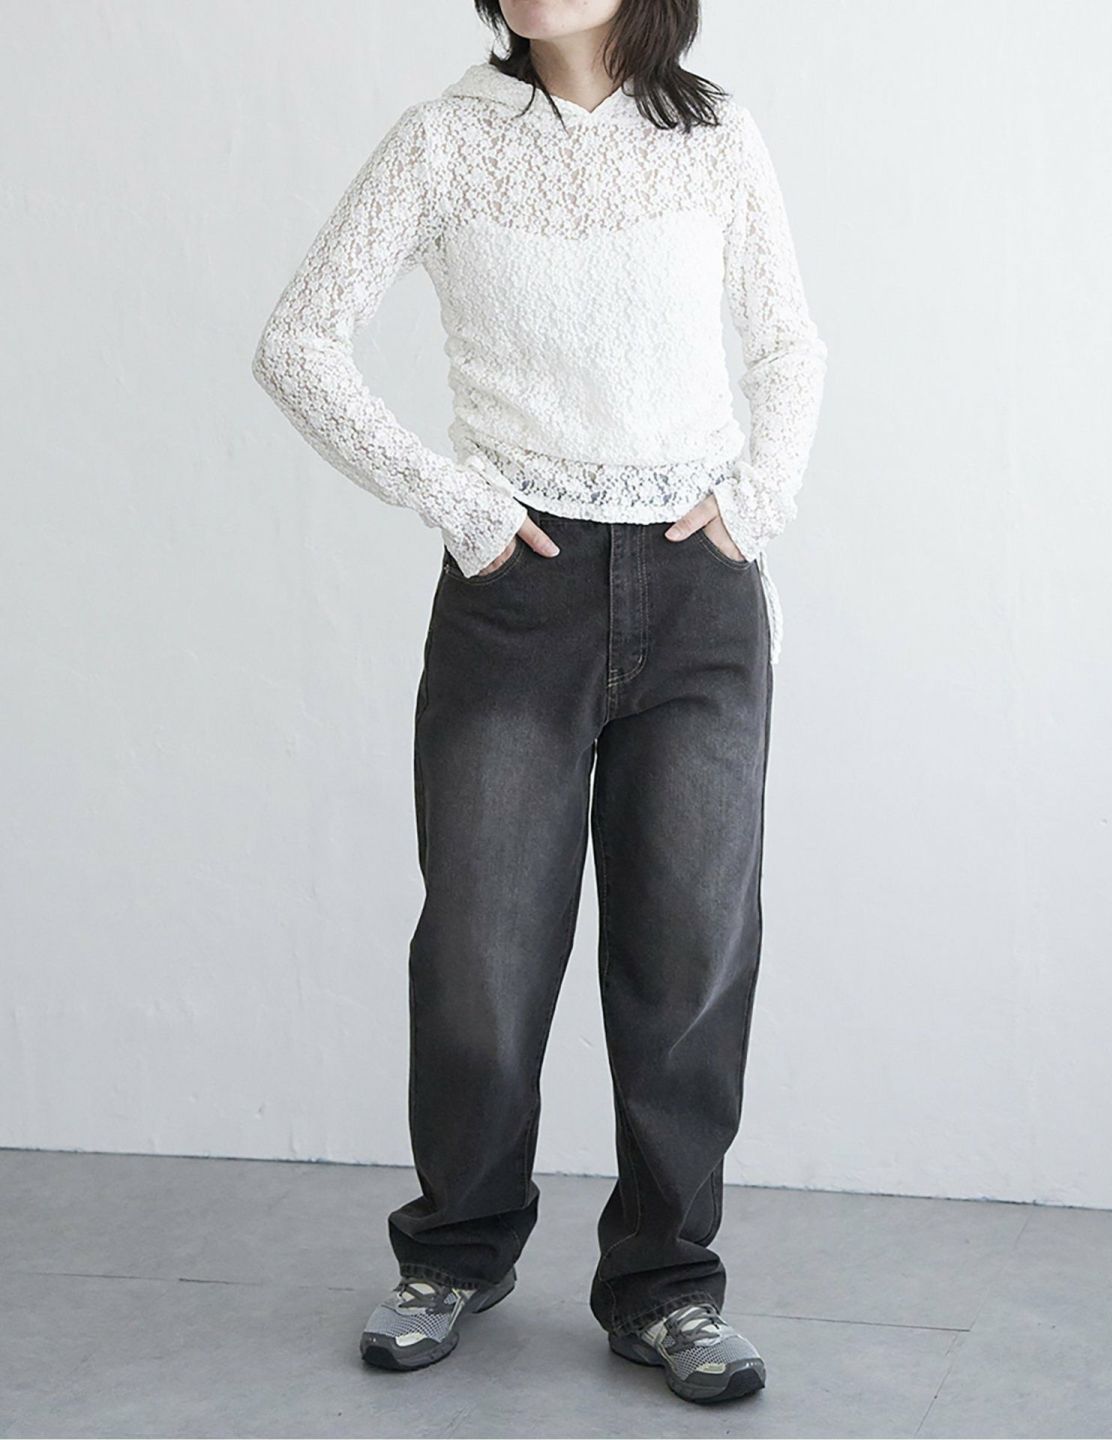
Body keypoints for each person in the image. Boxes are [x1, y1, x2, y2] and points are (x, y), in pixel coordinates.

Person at [251, 0, 826, 1406]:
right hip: (518, 593)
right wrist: (455, 500)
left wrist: (754, 505)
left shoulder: (715, 135)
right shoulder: (445, 141)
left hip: (697, 598)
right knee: (482, 952)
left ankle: (667, 1285)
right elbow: (300, 339)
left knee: (689, 956)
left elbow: (787, 346)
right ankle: (453, 1252)